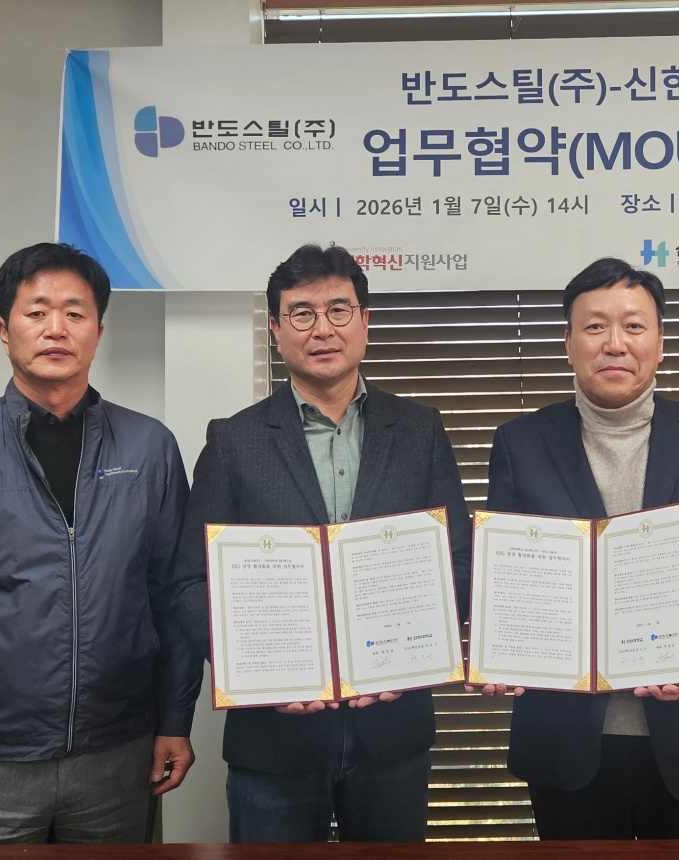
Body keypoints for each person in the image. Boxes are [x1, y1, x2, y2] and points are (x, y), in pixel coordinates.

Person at [0, 243, 200, 852]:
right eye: (37, 312)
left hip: (117, 754)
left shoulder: (149, 448)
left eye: (75, 313)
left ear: (99, 330)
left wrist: (174, 720)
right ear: (5, 330)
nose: (56, 328)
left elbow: (173, 599)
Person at [167, 243, 471, 843]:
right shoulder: (233, 441)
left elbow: (456, 561)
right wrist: (255, 667)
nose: (323, 329)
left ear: (365, 321)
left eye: (339, 309)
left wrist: (413, 654)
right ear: (277, 330)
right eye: (302, 313)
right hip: (272, 738)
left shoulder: (420, 431)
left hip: (394, 729)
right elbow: (190, 583)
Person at [478, 257, 679, 839]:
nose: (614, 343)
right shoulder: (520, 442)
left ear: (660, 343)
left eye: (634, 326)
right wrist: (502, 644)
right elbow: (507, 565)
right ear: (568, 344)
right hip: (565, 738)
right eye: (594, 327)